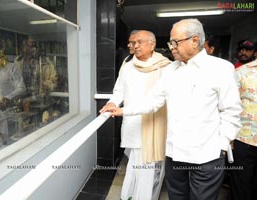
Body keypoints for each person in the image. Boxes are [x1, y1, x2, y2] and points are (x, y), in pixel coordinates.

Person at [102, 19, 242, 200]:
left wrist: (221, 145)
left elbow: (231, 110)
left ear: (194, 40)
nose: (172, 47)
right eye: (170, 42)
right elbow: (153, 102)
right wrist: (121, 110)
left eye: (176, 42)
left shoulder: (220, 69)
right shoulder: (170, 71)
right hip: (174, 153)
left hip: (206, 155)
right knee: (176, 197)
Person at [100, 30, 171, 200]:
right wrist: (112, 102)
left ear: (152, 44)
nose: (134, 46)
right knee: (135, 163)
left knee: (150, 166)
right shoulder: (128, 65)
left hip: (155, 124)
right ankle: (132, 195)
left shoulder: (166, 66)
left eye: (139, 42)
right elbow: (119, 90)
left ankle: (144, 196)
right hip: (132, 123)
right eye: (132, 43)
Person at [229, 52, 257, 200]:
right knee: (241, 183)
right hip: (245, 139)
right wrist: (229, 137)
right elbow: (230, 106)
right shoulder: (241, 72)